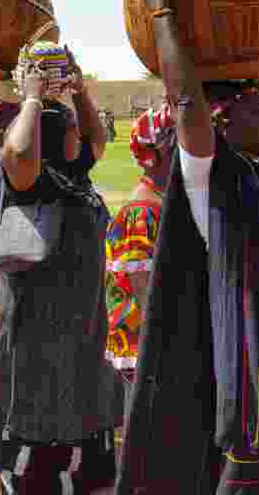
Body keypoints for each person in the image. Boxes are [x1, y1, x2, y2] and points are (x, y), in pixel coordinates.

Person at [117, 0, 259, 494]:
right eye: (255, 109)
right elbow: (187, 103)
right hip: (258, 387)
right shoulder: (214, 181)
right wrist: (164, 15)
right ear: (222, 124)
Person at [0, 46, 117, 495]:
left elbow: (97, 140)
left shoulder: (75, 176)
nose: (80, 136)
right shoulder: (29, 182)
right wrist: (32, 97)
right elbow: (15, 151)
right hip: (37, 329)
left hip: (82, 324)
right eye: (70, 129)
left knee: (79, 408)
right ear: (53, 137)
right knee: (37, 412)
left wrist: (80, 91)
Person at [105, 103, 174, 377]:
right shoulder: (141, 213)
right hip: (147, 345)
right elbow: (141, 286)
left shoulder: (162, 199)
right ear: (153, 156)